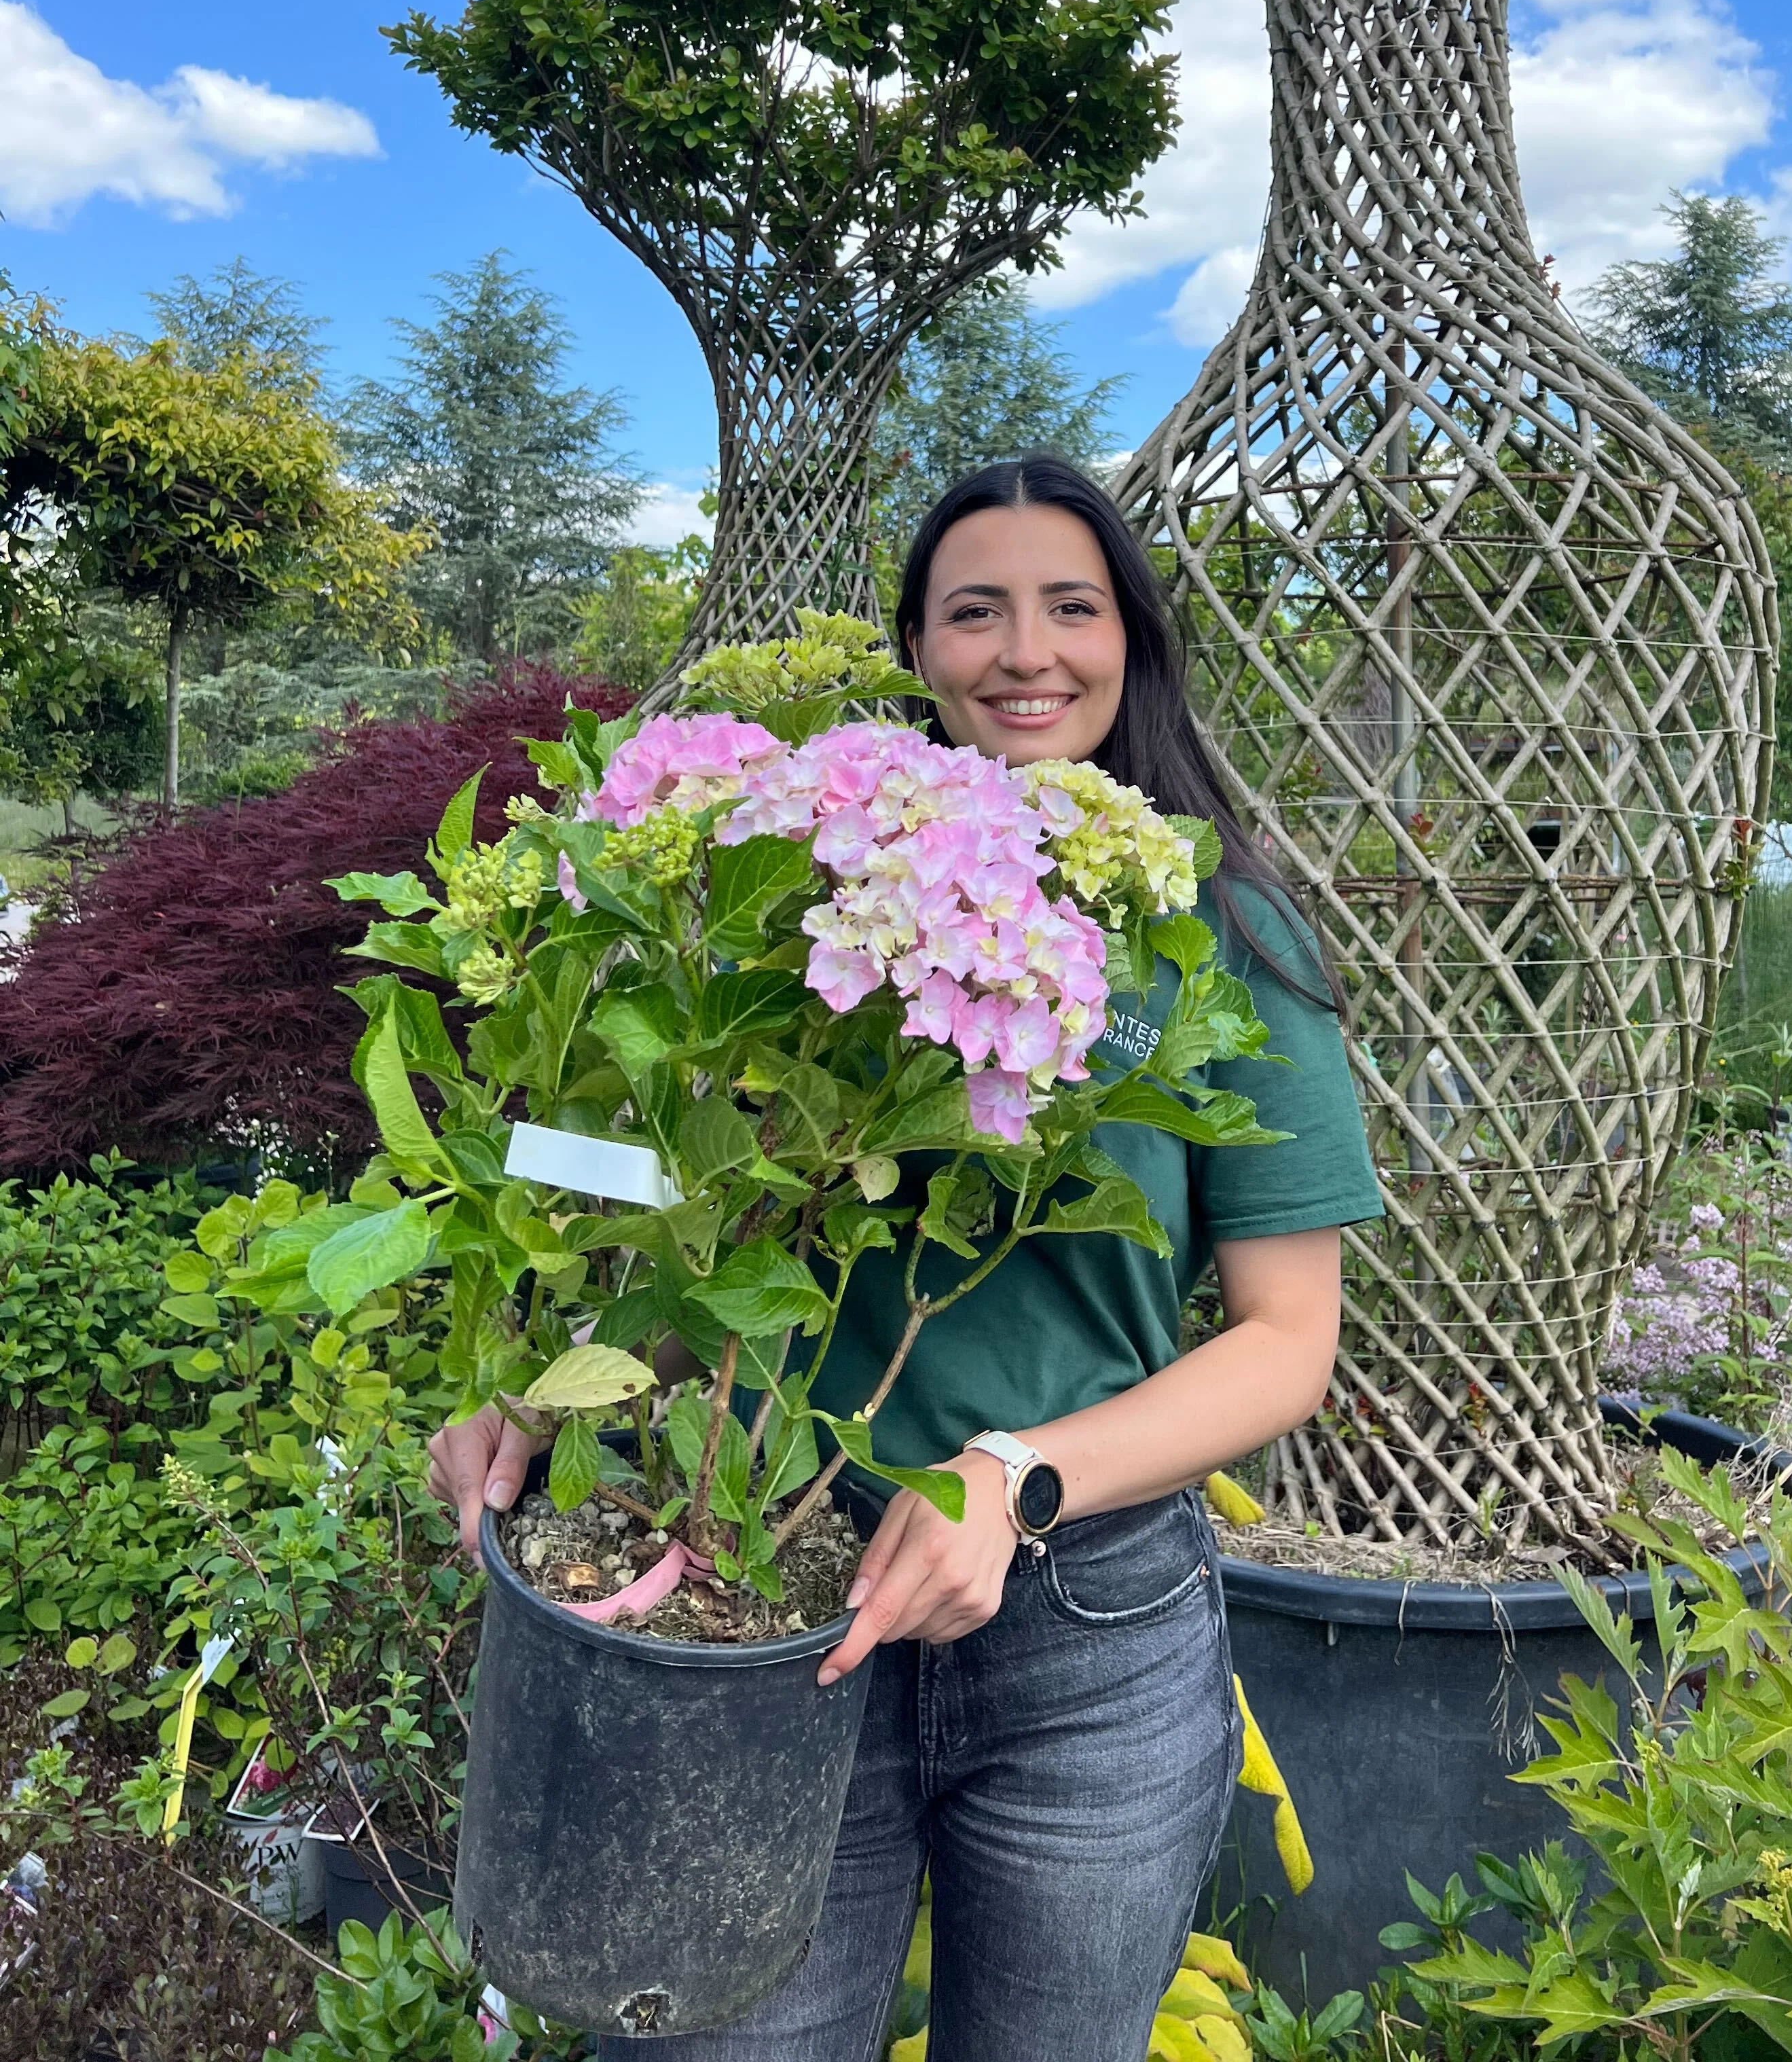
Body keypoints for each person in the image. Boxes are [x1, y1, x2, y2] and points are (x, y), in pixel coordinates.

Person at [430, 454, 1382, 2062]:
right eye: (975, 612)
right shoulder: (801, 898)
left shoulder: (1223, 942)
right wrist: (555, 1398)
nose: (1027, 652)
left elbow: (1287, 1343)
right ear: (920, 650)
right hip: (764, 1596)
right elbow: (713, 1237)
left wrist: (1011, 1478)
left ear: (1134, 640)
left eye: (1072, 607)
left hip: (1091, 1636)